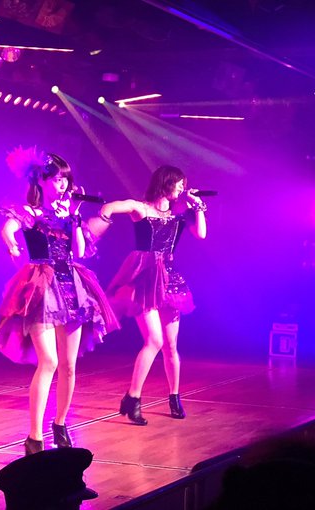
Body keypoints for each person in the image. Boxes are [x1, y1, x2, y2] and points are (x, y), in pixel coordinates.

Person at [0, 146, 119, 455]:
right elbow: (9, 228)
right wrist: (10, 242)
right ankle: (34, 436)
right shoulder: (30, 212)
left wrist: (74, 219)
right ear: (42, 181)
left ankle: (60, 424)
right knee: (48, 361)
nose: (63, 185)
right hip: (41, 286)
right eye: (57, 179)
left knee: (69, 365)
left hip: (71, 286)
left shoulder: (69, 214)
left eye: (66, 180)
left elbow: (79, 251)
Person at [87, 165, 206, 425]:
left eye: (184, 186)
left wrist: (197, 206)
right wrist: (102, 218)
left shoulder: (179, 214)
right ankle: (133, 397)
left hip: (170, 281)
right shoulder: (141, 209)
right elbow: (112, 207)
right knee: (154, 340)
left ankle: (174, 396)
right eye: (179, 184)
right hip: (144, 280)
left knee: (171, 345)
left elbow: (201, 234)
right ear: (166, 183)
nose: (182, 189)